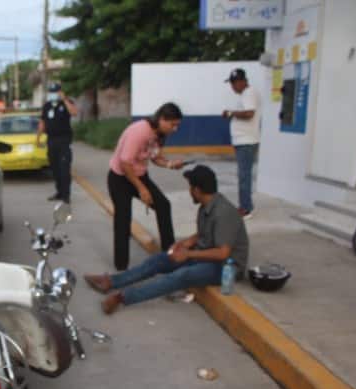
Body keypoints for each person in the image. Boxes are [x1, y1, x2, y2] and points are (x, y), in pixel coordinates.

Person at [83, 165, 249, 315]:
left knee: (180, 276)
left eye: (190, 187)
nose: (189, 191)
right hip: (204, 256)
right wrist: (184, 243)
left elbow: (223, 252)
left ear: (197, 190)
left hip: (226, 267)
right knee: (159, 260)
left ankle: (122, 297)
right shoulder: (206, 206)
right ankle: (111, 281)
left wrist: (188, 254)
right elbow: (204, 234)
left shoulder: (223, 213)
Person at [108, 102, 186, 271]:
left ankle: (169, 256)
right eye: (173, 125)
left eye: (177, 125)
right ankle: (121, 268)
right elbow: (125, 163)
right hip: (120, 178)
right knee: (123, 221)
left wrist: (171, 164)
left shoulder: (159, 134)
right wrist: (142, 189)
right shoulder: (140, 131)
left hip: (139, 175)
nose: (175, 129)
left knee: (163, 206)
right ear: (163, 119)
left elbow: (155, 157)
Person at [222, 68, 261, 220]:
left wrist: (231, 113)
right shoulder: (245, 94)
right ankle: (244, 205)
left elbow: (249, 113)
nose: (232, 87)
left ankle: (246, 208)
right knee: (243, 174)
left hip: (247, 141)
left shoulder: (249, 93)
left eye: (233, 83)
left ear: (242, 82)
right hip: (243, 141)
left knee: (244, 175)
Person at [36, 82, 78, 204]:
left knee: (64, 169)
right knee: (55, 169)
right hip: (51, 140)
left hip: (64, 140)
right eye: (51, 92)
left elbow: (74, 112)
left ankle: (66, 195)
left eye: (55, 92)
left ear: (60, 92)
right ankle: (59, 192)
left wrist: (64, 99)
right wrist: (38, 138)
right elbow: (42, 122)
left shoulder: (66, 103)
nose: (53, 94)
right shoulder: (47, 106)